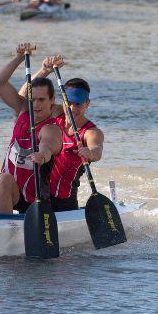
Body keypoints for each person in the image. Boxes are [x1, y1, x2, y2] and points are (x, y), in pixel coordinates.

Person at [0, 45, 64, 214]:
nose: (36, 105)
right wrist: (19, 58)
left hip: (35, 198)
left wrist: (42, 155)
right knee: (3, 179)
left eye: (41, 100)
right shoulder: (23, 110)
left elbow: (47, 146)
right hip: (9, 190)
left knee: (5, 180)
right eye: (33, 100)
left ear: (51, 100)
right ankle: (2, 229)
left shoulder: (51, 128)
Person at [48, 72, 104, 211]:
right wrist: (44, 70)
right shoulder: (55, 112)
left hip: (64, 200)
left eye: (78, 104)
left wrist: (89, 152)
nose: (72, 109)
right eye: (69, 103)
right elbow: (25, 100)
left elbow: (97, 151)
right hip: (37, 193)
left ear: (87, 103)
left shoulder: (91, 132)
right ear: (63, 101)